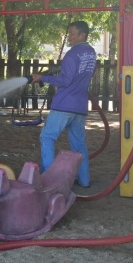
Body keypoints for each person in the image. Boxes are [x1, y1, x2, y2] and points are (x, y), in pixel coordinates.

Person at [31, 21, 97, 188]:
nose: (69, 37)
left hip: (64, 104)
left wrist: (43, 78)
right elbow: (86, 74)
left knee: (47, 137)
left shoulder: (72, 54)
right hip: (80, 106)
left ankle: (48, 179)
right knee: (79, 144)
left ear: (82, 35)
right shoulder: (91, 52)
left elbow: (65, 80)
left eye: (73, 34)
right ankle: (84, 180)